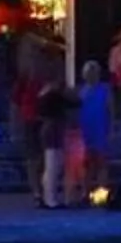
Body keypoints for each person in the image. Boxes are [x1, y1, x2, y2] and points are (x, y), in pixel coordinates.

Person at [30, 73, 73, 209]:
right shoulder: (53, 96)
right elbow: (74, 103)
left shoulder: (44, 96)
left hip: (51, 130)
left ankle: (49, 197)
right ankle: (50, 199)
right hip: (52, 131)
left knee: (53, 165)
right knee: (52, 165)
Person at [73, 61, 112, 199]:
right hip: (85, 129)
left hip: (100, 128)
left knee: (101, 163)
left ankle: (101, 195)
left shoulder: (105, 89)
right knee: (86, 164)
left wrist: (110, 127)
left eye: (93, 72)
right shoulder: (81, 90)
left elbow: (110, 109)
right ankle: (86, 193)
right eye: (88, 73)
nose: (91, 75)